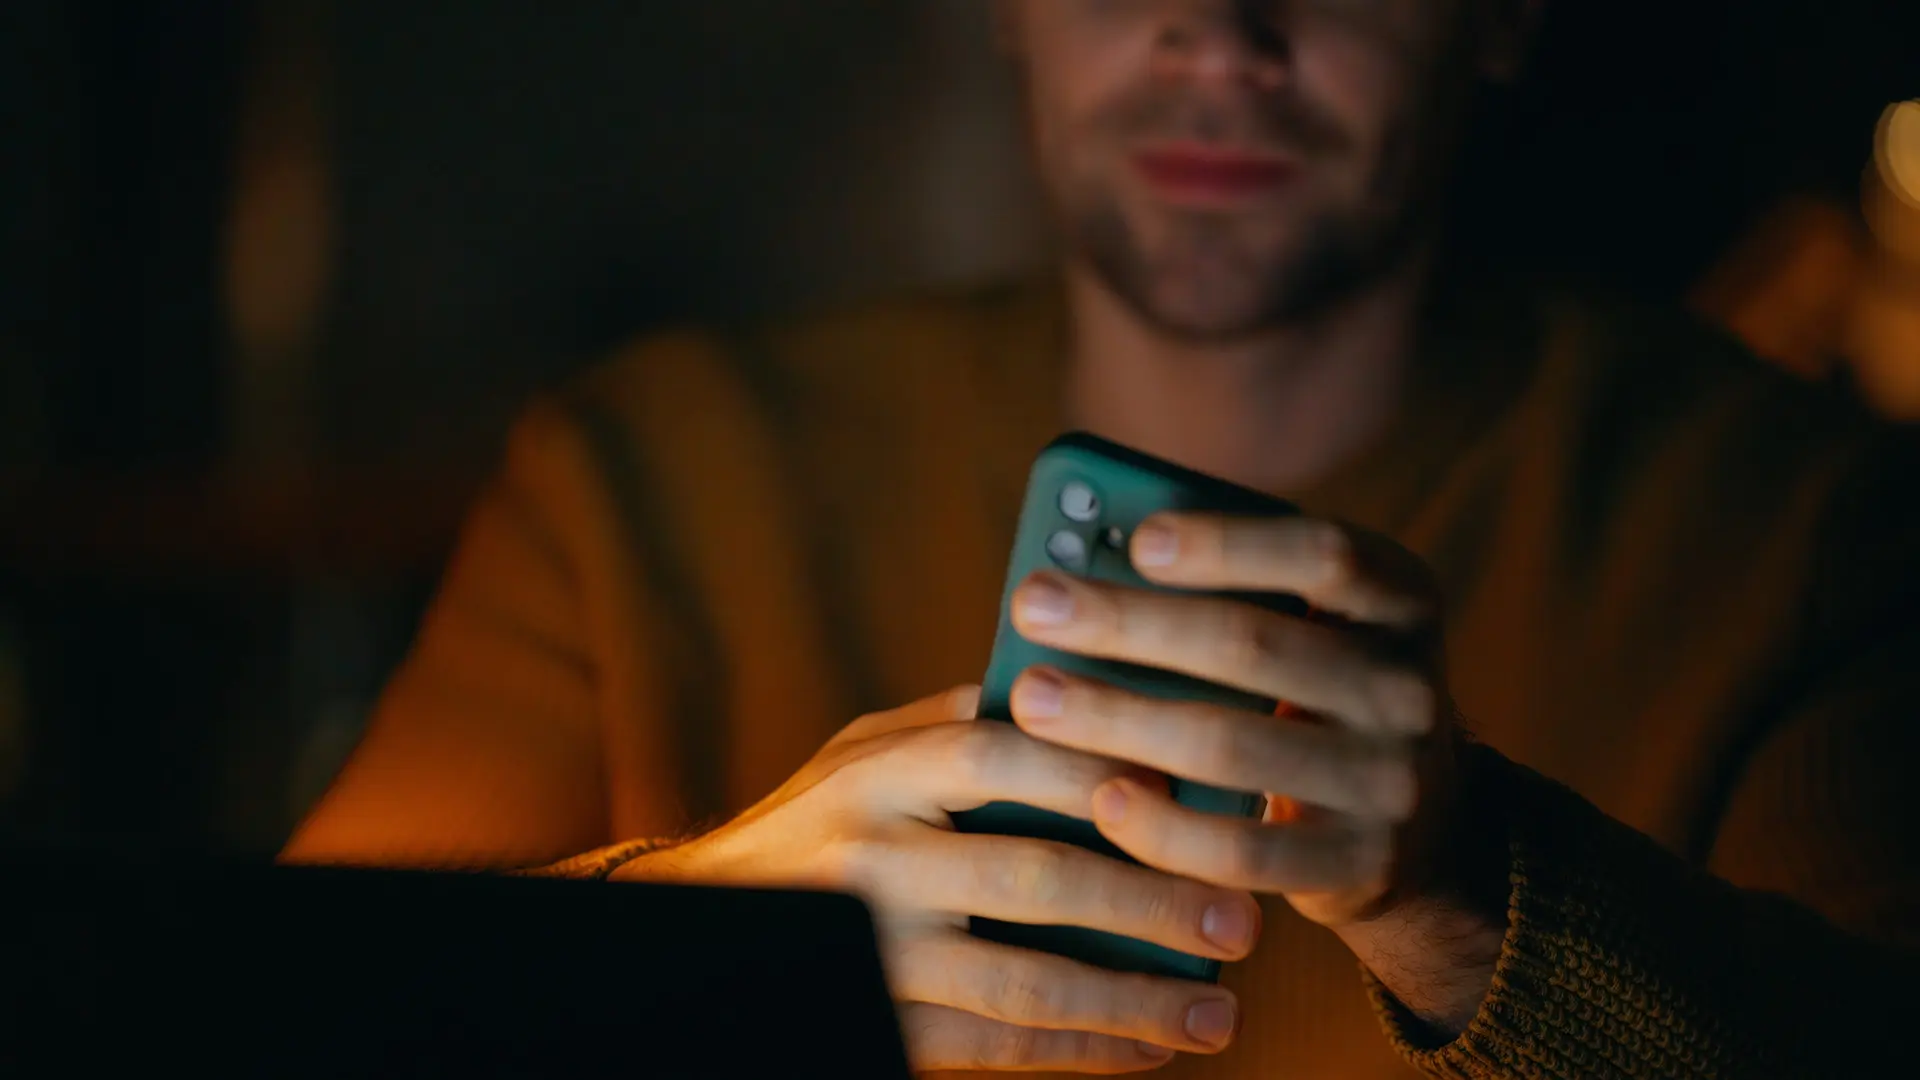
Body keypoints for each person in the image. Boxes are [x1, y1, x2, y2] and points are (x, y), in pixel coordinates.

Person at [284, 2, 1916, 1077]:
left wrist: (1470, 892)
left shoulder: (1807, 523)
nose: (1219, 33)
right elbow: (266, 1016)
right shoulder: (645, 475)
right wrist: (709, 960)